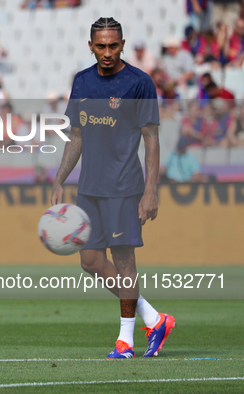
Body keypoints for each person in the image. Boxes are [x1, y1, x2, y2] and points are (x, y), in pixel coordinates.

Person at [52, 18, 175, 359]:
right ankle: (154, 318)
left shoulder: (139, 83)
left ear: (122, 44)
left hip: (124, 186)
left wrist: (151, 191)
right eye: (101, 46)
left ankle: (126, 342)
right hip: (89, 187)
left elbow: (151, 140)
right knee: (90, 261)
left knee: (124, 263)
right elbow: (75, 135)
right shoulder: (82, 82)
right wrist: (60, 178)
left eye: (113, 45)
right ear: (90, 46)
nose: (107, 52)